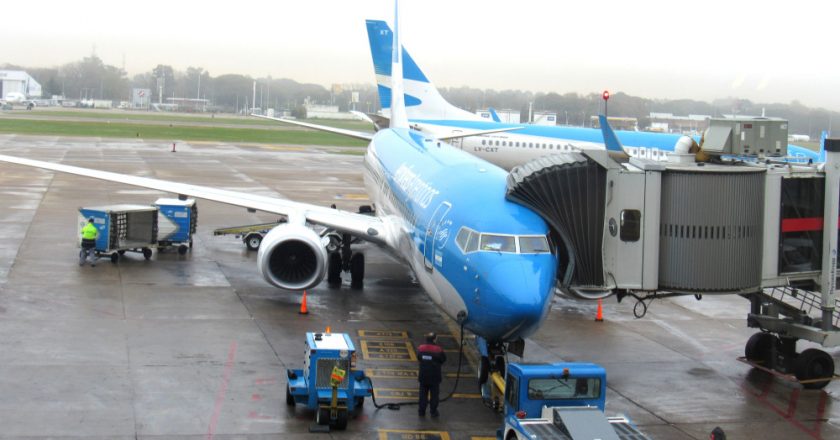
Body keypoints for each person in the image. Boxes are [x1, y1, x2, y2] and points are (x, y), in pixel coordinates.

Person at [417, 332, 446, 417]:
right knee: (434, 395)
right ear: (434, 339)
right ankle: (433, 412)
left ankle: (421, 411)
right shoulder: (438, 350)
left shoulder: (421, 348)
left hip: (423, 376)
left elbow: (419, 358)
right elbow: (443, 359)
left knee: (423, 395)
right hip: (434, 377)